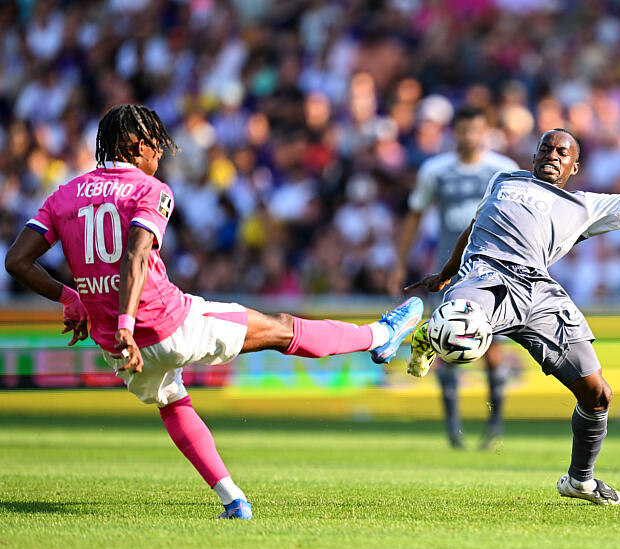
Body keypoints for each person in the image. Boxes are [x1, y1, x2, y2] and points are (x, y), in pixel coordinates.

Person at [4, 104, 423, 520]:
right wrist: (128, 324)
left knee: (171, 401)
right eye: (158, 147)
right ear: (139, 146)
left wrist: (71, 299)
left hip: (115, 344)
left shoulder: (64, 194)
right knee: (280, 329)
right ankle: (380, 337)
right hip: (166, 322)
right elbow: (135, 253)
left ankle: (234, 501)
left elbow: (17, 262)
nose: (161, 156)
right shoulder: (150, 190)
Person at [407, 125, 620, 505]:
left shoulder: (587, 207)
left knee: (598, 394)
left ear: (575, 167)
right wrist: (445, 274)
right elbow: (475, 226)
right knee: (462, 325)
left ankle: (580, 482)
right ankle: (434, 334)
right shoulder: (503, 180)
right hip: (486, 274)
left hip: (539, 293)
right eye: (546, 149)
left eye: (562, 152)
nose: (552, 156)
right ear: (534, 156)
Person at [390, 105, 518, 449]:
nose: (469, 136)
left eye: (475, 129)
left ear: (486, 131)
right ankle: (454, 429)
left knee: (492, 350)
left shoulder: (504, 170)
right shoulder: (436, 170)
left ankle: (494, 426)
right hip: (452, 272)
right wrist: (400, 263)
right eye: (463, 130)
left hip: (493, 270)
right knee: (446, 343)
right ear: (455, 133)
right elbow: (415, 215)